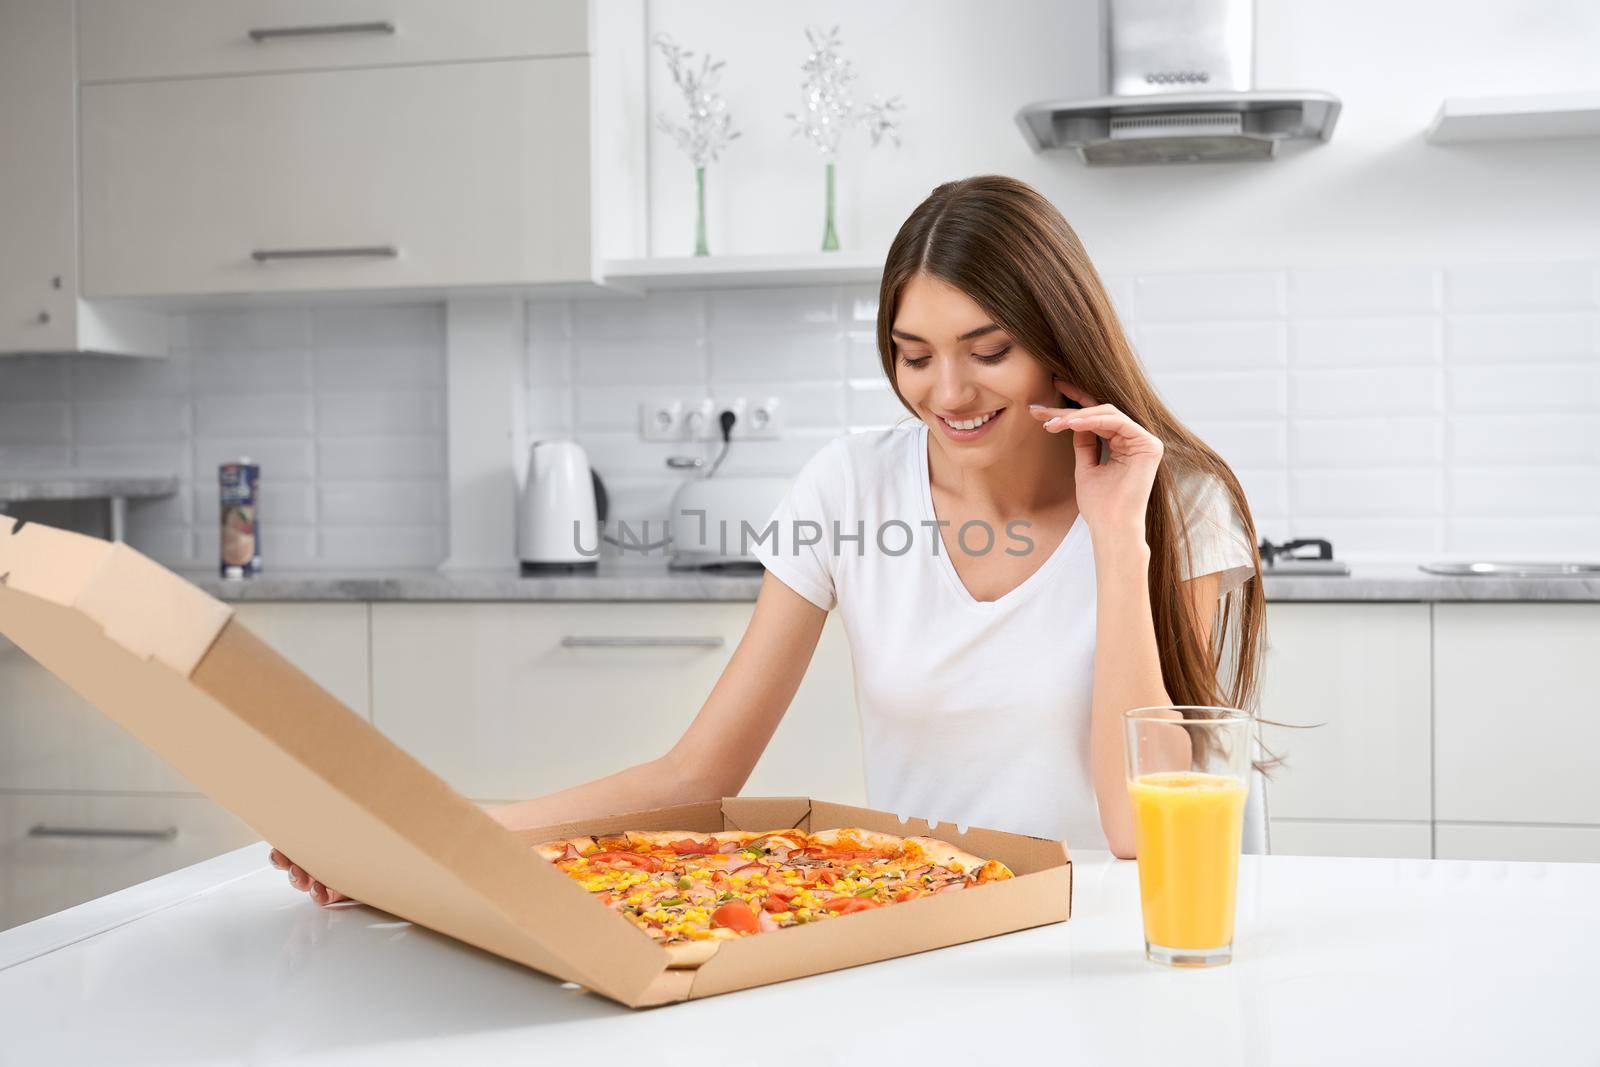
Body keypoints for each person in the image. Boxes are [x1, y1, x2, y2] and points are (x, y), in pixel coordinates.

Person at [272, 174, 1264, 904]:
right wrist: (434, 837)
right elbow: (696, 774)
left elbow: (1140, 830)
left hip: (1134, 932)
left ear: (1059, 337)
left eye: (989, 351)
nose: (947, 394)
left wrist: (1114, 540)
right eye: (912, 355)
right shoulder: (847, 486)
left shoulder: (1178, 502)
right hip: (933, 925)